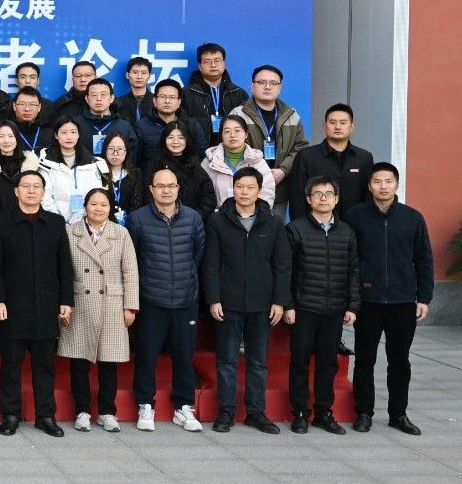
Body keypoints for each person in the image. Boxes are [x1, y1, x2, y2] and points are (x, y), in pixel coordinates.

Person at [346, 163, 432, 436]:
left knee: (400, 361)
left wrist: (424, 297)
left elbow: (424, 259)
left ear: (396, 184)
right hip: (368, 301)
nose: (383, 186)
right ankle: (364, 412)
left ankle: (398, 414)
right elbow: (349, 260)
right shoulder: (355, 216)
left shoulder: (412, 218)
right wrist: (351, 299)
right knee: (365, 360)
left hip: (402, 301)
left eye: (388, 181)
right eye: (377, 181)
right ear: (369, 185)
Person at [203, 167, 290, 434]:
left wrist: (280, 301)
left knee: (258, 362)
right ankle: (226, 412)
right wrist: (213, 298)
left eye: (250, 187)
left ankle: (256, 412)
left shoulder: (273, 223)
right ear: (233, 188)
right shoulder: (218, 221)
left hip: (263, 305)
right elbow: (211, 264)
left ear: (259, 190)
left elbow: (282, 265)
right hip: (228, 302)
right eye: (240, 186)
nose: (244, 192)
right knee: (227, 361)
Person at [0, 170, 73, 437]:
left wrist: (66, 300)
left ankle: (45, 415)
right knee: (10, 365)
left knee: (45, 366)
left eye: (37, 186)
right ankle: (10, 414)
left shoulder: (55, 223)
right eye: (26, 186)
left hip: (47, 305)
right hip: (12, 306)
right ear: (16, 191)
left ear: (44, 192)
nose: (31, 191)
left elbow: (64, 265)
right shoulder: (0, 223)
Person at [123, 168, 206, 432]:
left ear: (178, 188)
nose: (166, 191)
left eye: (171, 186)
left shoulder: (193, 218)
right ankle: (145, 405)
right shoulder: (137, 219)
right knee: (146, 356)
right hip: (151, 299)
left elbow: (198, 255)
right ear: (151, 189)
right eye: (160, 186)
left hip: (185, 299)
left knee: (184, 357)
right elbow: (132, 260)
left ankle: (184, 406)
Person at [57, 189, 138, 434]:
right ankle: (82, 411)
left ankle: (107, 412)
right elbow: (62, 270)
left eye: (104, 204)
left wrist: (130, 306)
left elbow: (130, 272)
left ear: (110, 208)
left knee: (108, 362)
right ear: (85, 206)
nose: (99, 208)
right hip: (80, 302)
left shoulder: (121, 233)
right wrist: (64, 303)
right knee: (79, 361)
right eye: (94, 204)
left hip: (112, 303)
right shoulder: (70, 232)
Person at [284, 176, 360, 435]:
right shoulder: (295, 229)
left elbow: (353, 271)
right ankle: (300, 413)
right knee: (300, 362)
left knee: (328, 363)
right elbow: (286, 270)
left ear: (336, 199)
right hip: (304, 307)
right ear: (309, 199)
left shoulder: (346, 232)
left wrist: (352, 306)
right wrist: (288, 304)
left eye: (329, 194)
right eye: (318, 194)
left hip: (335, 309)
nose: (323, 198)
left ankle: (324, 413)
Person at [231, 65, 308, 208]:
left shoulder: (291, 115)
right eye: (262, 82)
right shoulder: (238, 114)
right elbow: (232, 148)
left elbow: (300, 147)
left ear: (280, 88)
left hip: (280, 187)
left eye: (273, 83)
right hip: (247, 187)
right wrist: (258, 173)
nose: (267, 87)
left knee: (275, 223)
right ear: (252, 86)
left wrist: (283, 171)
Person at [287, 103, 374, 219]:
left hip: (354, 225)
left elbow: (368, 196)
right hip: (315, 226)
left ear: (352, 126)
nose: (337, 127)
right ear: (324, 126)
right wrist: (300, 227)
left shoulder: (364, 158)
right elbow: (297, 198)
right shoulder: (306, 156)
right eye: (332, 122)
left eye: (343, 123)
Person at [37, 119, 108, 224]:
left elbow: (95, 196)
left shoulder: (92, 163)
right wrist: (60, 221)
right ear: (56, 135)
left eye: (73, 132)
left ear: (78, 135)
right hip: (55, 223)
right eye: (64, 132)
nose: (69, 137)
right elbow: (45, 198)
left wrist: (82, 220)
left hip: (86, 222)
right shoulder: (45, 163)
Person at [204, 115, 277, 209]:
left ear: (246, 134)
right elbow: (203, 196)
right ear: (221, 135)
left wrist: (252, 214)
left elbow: (267, 194)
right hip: (218, 216)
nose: (232, 135)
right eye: (227, 131)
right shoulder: (209, 162)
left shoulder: (258, 162)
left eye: (237, 130)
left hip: (252, 215)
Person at [135, 79, 208, 169]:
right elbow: (136, 160)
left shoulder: (192, 125)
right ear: (154, 100)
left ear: (179, 102)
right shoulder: (142, 127)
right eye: (163, 96)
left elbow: (202, 156)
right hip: (153, 176)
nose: (167, 101)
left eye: (172, 97)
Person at [0, 121, 43, 218]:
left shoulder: (28, 166)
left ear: (17, 138)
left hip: (25, 221)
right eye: (1, 136)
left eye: (10, 136)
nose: (6, 141)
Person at [149, 122, 218, 213]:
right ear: (164, 140)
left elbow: (208, 198)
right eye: (170, 137)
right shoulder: (156, 163)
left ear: (187, 140)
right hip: (160, 217)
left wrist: (195, 217)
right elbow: (148, 196)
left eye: (181, 137)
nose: (175, 141)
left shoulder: (195, 163)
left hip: (192, 218)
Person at [183, 43, 249, 137]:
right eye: (207, 61)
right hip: (198, 146)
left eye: (217, 61)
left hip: (230, 145)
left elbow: (246, 127)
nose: (213, 65)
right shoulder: (186, 94)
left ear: (224, 64)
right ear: (200, 66)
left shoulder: (239, 93)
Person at [77, 79, 138, 160]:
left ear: (112, 98)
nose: (99, 98)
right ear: (87, 99)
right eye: (94, 95)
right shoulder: (76, 124)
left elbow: (131, 157)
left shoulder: (124, 126)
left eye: (103, 95)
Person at [99, 132, 145, 221]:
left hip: (130, 224)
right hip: (103, 223)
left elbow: (136, 205)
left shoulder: (135, 174)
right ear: (105, 150)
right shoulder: (98, 174)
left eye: (120, 149)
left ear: (126, 152)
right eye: (111, 148)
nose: (115, 153)